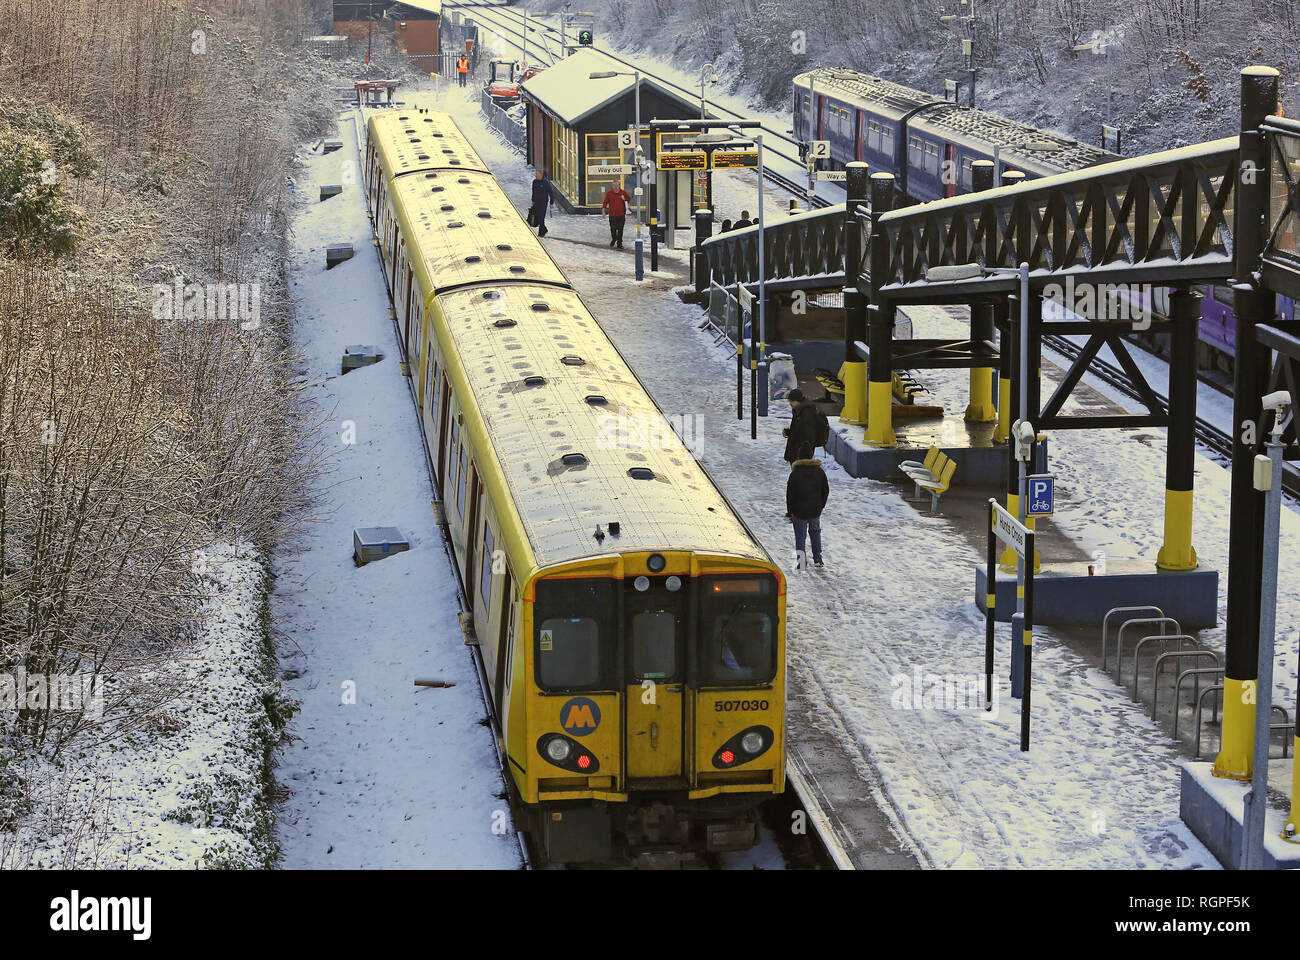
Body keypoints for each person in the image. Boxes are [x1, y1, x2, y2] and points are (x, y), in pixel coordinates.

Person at [786, 442, 829, 568]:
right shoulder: (819, 472)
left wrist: (790, 510)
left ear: (799, 457)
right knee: (815, 532)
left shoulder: (795, 474)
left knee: (800, 535)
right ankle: (818, 558)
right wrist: (821, 505)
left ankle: (801, 562)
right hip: (815, 509)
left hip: (799, 511)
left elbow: (790, 494)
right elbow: (825, 490)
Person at [781, 387, 820, 465]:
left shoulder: (806, 413)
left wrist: (803, 454)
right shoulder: (799, 410)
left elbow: (808, 436)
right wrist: (789, 433)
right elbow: (799, 430)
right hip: (798, 451)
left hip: (801, 454)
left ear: (798, 401)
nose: (790, 403)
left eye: (792, 401)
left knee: (799, 474)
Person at [601, 182, 631, 248]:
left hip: (621, 215)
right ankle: (614, 239)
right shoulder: (609, 193)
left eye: (617, 185)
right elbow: (605, 203)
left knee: (620, 229)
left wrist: (624, 199)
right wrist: (603, 212)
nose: (615, 187)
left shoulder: (623, 192)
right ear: (612, 186)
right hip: (612, 215)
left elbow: (628, 199)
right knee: (613, 229)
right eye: (614, 185)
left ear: (619, 185)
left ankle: (619, 243)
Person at [530, 169, 555, 238]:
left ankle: (541, 233)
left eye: (537, 175)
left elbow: (551, 193)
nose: (536, 176)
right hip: (536, 202)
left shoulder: (546, 182)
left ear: (541, 175)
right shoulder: (535, 182)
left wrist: (551, 203)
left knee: (541, 217)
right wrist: (532, 200)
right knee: (538, 217)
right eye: (535, 175)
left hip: (543, 202)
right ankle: (544, 229)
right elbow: (533, 191)